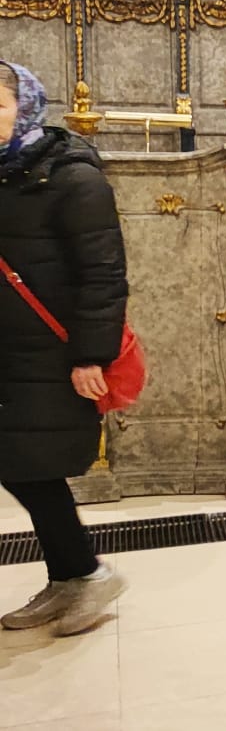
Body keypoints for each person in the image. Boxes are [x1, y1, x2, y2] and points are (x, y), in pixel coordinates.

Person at [0, 61, 128, 638]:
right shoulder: (5, 173)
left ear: (25, 107)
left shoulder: (73, 177)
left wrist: (90, 356)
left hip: (50, 353)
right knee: (21, 465)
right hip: (9, 350)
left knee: (29, 465)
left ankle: (86, 573)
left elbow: (103, 274)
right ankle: (69, 577)